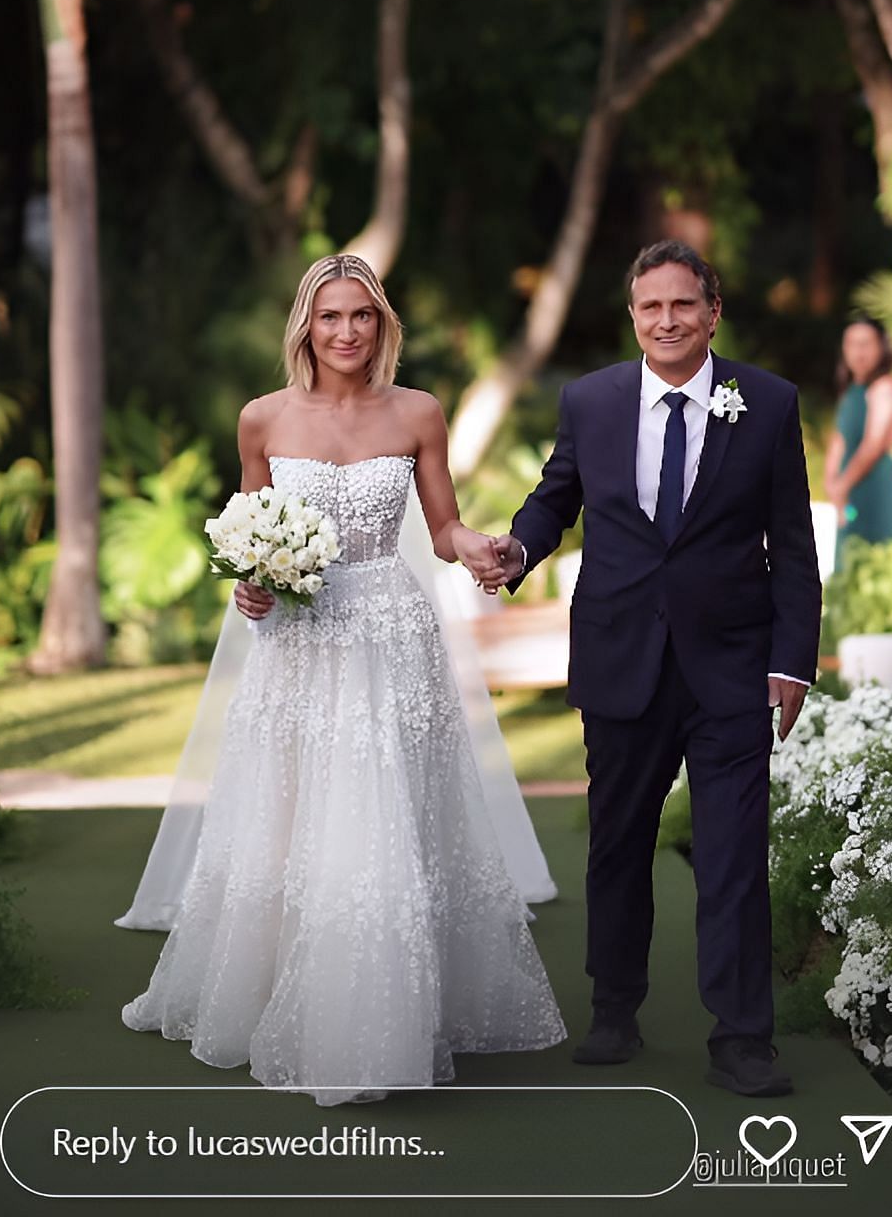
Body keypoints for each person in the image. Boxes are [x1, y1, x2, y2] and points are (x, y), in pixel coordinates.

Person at [120, 253, 565, 1103]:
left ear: (382, 323)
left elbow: (442, 528)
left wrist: (479, 549)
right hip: (301, 637)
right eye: (331, 317)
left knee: (386, 809)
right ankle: (270, 992)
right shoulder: (262, 419)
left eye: (361, 315)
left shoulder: (419, 412)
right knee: (293, 806)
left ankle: (389, 1010)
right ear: (307, 328)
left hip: (392, 631)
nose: (347, 331)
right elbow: (249, 533)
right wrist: (252, 584)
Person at [481, 240, 821, 1099]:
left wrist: (792, 661)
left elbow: (795, 542)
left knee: (735, 851)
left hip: (733, 666)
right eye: (649, 307)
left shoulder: (769, 403)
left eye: (682, 305)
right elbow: (557, 496)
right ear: (633, 316)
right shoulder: (590, 401)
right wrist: (519, 546)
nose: (665, 321)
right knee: (618, 842)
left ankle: (743, 1036)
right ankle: (614, 1010)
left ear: (712, 312)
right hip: (620, 654)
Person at [825, 315, 892, 567]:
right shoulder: (851, 392)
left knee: (878, 563)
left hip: (875, 487)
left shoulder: (884, 387)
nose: (858, 351)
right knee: (849, 562)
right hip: (849, 489)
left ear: (881, 347)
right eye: (851, 343)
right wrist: (830, 482)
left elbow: (873, 445)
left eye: (866, 343)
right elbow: (839, 440)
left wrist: (842, 484)